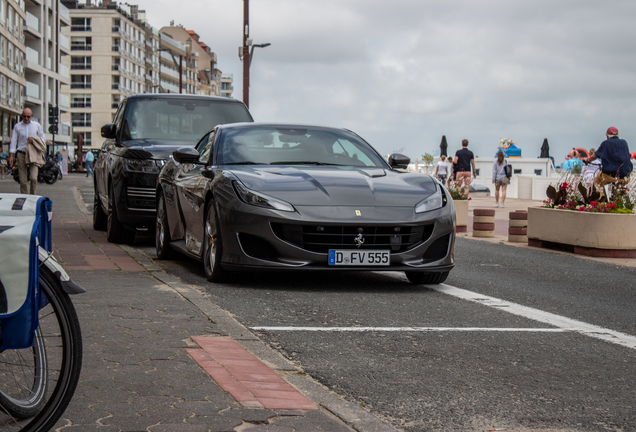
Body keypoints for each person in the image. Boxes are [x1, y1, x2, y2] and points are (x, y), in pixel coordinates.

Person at [9, 108, 46, 194]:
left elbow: (43, 138)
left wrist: (34, 140)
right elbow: (13, 141)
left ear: (31, 116)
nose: (26, 118)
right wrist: (11, 155)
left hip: (33, 153)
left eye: (28, 116)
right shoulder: (17, 126)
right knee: (23, 180)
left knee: (33, 178)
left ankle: (32, 196)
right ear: (22, 116)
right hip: (21, 153)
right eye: (24, 116)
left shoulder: (36, 125)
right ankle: (24, 197)